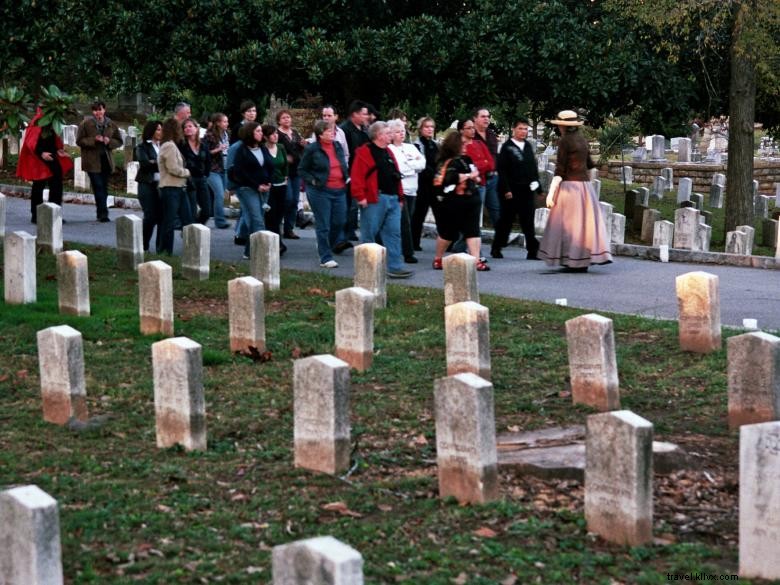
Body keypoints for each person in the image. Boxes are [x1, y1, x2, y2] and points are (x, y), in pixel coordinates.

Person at [538, 110, 612, 272]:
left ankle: (572, 260)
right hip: (585, 187)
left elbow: (560, 170)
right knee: (583, 225)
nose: (558, 128)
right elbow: (590, 165)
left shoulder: (565, 141)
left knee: (568, 226)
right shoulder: (582, 140)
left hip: (570, 187)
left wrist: (551, 194)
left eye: (559, 125)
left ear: (563, 126)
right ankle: (583, 260)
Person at [350, 121, 412, 279]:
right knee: (369, 233)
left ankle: (395, 266)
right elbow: (357, 176)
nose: (392, 135)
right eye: (388, 132)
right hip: (374, 198)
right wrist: (360, 196)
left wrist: (399, 197)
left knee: (393, 233)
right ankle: (366, 268)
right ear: (379, 135)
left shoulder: (388, 152)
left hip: (392, 199)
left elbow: (395, 174)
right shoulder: (364, 152)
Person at [430, 132, 489, 271]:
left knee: (473, 231)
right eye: (462, 144)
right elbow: (450, 178)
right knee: (448, 233)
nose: (465, 146)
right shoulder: (447, 162)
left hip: (471, 199)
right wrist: (468, 175)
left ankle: (476, 261)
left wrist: (473, 177)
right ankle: (438, 258)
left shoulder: (466, 159)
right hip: (453, 202)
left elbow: (477, 177)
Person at [298, 119, 349, 268]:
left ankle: (326, 244)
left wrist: (346, 176)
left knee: (339, 222)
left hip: (339, 189)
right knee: (323, 224)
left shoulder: (337, 146)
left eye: (333, 131)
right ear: (320, 134)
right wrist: (312, 181)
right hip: (320, 191)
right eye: (328, 131)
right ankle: (325, 257)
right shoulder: (312, 149)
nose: (332, 133)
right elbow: (302, 169)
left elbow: (342, 162)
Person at [492, 117, 541, 260]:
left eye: (526, 129)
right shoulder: (507, 147)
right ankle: (497, 247)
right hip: (511, 191)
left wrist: (537, 186)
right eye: (520, 128)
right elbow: (502, 171)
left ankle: (533, 250)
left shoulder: (527, 147)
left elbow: (532, 168)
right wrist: (506, 189)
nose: (523, 131)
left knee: (528, 221)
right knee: (506, 221)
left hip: (526, 191)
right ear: (514, 129)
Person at [16, 107, 73, 224]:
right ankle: (36, 215)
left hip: (51, 157)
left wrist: (58, 150)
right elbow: (31, 142)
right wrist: (41, 153)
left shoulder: (51, 121)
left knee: (56, 186)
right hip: (38, 159)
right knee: (38, 186)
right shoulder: (37, 121)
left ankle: (54, 214)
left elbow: (53, 139)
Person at [230, 122, 274, 259]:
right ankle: (262, 253)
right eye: (258, 131)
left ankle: (249, 251)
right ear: (250, 133)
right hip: (247, 188)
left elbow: (269, 166)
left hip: (264, 188)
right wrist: (256, 185)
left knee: (258, 219)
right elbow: (240, 172)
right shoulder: (241, 151)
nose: (261, 133)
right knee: (257, 219)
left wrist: (268, 182)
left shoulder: (263, 148)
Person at [76, 100, 122, 222]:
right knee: (98, 186)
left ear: (104, 110)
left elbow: (119, 140)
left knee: (104, 187)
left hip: (106, 160)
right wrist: (93, 140)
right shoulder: (86, 124)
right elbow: (79, 141)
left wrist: (109, 142)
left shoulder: (110, 124)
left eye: (100, 109)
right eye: (95, 110)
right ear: (93, 111)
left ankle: (101, 211)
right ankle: (103, 213)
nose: (98, 112)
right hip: (92, 161)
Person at [388, 118, 426, 264]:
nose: (401, 134)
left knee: (408, 220)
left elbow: (421, 163)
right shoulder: (390, 149)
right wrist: (411, 166)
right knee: (402, 222)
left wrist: (409, 166)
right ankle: (407, 252)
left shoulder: (410, 147)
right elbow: (399, 168)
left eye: (403, 131)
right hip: (400, 190)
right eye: (397, 132)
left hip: (412, 190)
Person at [337, 100, 370, 248]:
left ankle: (349, 231)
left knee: (353, 204)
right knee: (348, 204)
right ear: (354, 114)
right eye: (363, 114)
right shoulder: (345, 129)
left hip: (361, 171)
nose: (366, 117)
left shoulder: (363, 130)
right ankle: (343, 234)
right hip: (350, 172)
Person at [157, 118, 191, 255]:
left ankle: (189, 249)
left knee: (187, 219)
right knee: (169, 221)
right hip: (170, 187)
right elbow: (172, 168)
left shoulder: (171, 145)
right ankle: (166, 249)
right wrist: (187, 172)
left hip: (179, 188)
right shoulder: (169, 146)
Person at [276, 109, 306, 239]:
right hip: (284, 171)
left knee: (294, 200)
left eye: (288, 117)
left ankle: (289, 228)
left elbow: (299, 148)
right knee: (286, 199)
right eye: (283, 118)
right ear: (279, 120)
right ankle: (277, 224)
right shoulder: (277, 134)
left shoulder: (295, 133)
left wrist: (303, 145)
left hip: (296, 170)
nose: (286, 120)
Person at [134, 120, 163, 252]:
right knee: (150, 216)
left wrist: (155, 161)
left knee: (161, 217)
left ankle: (160, 248)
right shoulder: (142, 147)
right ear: (151, 131)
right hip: (147, 184)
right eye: (158, 129)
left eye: (161, 129)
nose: (160, 132)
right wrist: (161, 162)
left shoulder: (164, 146)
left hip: (162, 185)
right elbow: (145, 164)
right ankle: (143, 245)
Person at [412, 116, 439, 251]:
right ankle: (414, 242)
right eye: (426, 127)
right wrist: (433, 173)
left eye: (432, 127)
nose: (430, 129)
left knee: (441, 214)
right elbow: (421, 165)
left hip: (435, 185)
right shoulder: (417, 145)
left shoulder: (435, 145)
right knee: (419, 215)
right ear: (420, 129)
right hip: (422, 184)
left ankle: (447, 242)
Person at [261, 123, 289, 254]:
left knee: (279, 214)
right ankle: (278, 244)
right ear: (266, 137)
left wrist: (285, 176)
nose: (275, 136)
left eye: (276, 133)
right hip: (269, 187)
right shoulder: (262, 149)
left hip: (281, 185)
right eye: (272, 134)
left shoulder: (281, 147)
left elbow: (285, 164)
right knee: (271, 216)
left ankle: (275, 240)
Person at [472, 107, 501, 229]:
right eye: (483, 116)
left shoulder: (491, 134)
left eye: (488, 116)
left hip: (492, 178)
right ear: (475, 119)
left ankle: (500, 238)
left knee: (495, 208)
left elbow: (494, 155)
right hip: (478, 179)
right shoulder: (471, 134)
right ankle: (459, 244)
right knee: (474, 211)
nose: (486, 119)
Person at [179, 118, 212, 224]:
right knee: (191, 211)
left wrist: (206, 174)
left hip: (201, 179)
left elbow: (208, 161)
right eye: (185, 127)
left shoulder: (203, 145)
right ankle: (190, 232)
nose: (187, 129)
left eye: (190, 126)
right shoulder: (181, 145)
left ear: (196, 128)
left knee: (207, 210)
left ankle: (196, 229)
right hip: (188, 180)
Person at [204, 112, 231, 229]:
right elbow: (204, 153)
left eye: (227, 121)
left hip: (224, 168)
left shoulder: (226, 134)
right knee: (219, 194)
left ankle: (207, 216)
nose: (227, 124)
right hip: (212, 169)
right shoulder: (209, 136)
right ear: (218, 123)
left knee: (222, 195)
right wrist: (217, 149)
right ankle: (220, 221)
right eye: (224, 121)